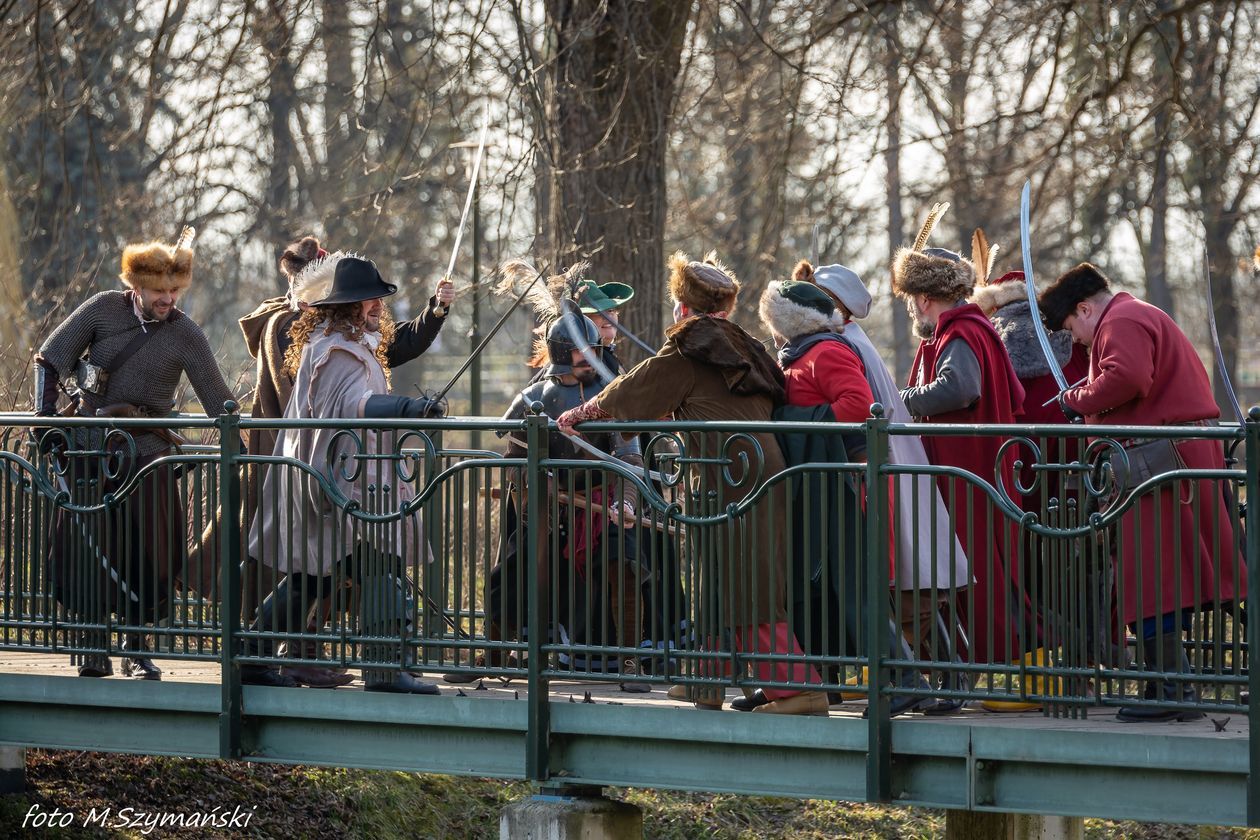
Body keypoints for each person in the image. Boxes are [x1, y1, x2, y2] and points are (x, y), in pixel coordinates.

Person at [557, 251, 827, 716]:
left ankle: (799, 688)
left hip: (730, 475)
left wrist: (578, 414)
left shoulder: (691, 346)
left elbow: (630, 391)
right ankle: (705, 678)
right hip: (751, 469)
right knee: (715, 577)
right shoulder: (739, 344)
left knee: (747, 581)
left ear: (682, 306)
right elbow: (702, 399)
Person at [222, 236, 454, 688]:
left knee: (316, 577)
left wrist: (435, 314)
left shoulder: (352, 342)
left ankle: (252, 657)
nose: (377, 307)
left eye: (377, 300)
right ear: (346, 306)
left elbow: (385, 365)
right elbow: (350, 404)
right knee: (377, 562)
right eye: (369, 301)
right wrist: (408, 409)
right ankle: (384, 670)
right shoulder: (332, 348)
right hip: (333, 480)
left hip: (343, 474)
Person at [1038, 263, 1246, 721]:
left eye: (1073, 327)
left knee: (1152, 578)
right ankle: (1168, 685)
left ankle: (1172, 689)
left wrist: (1076, 400)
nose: (1075, 340)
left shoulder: (1122, 321)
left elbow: (1128, 378)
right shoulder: (1132, 316)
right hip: (1171, 459)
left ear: (1085, 308)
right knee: (1166, 578)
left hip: (1160, 462)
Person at [33, 227, 236, 680]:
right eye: (158, 291)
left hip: (146, 455)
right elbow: (49, 359)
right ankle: (91, 641)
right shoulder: (104, 309)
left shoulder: (186, 334)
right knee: (86, 550)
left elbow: (217, 398)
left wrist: (244, 433)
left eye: (174, 290)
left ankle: (137, 645)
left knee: (150, 553)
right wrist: (45, 420)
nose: (168, 299)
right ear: (135, 286)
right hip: (90, 450)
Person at [464, 303, 648, 690]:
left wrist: (627, 502)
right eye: (585, 351)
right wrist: (533, 492)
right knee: (511, 570)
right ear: (564, 353)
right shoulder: (534, 396)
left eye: (595, 350)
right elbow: (514, 458)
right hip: (548, 510)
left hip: (603, 506)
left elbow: (630, 457)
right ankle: (495, 651)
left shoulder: (609, 396)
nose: (593, 358)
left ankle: (629, 659)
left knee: (625, 562)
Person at [893, 245, 1038, 680]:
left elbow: (960, 388)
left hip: (968, 472)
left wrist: (901, 402)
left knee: (973, 571)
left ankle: (990, 668)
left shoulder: (959, 332)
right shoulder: (972, 328)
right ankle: (989, 667)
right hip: (978, 469)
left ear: (922, 298)